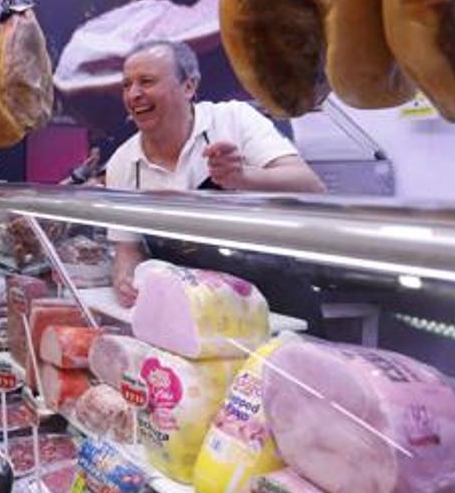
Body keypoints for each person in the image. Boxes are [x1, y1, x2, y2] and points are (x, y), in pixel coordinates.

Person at [105, 39, 326, 306]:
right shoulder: (123, 162)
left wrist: (244, 178)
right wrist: (125, 277)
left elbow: (311, 187)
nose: (133, 94)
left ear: (189, 86)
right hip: (194, 312)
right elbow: (128, 247)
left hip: (272, 303)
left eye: (147, 81)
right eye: (127, 85)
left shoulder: (233, 119)